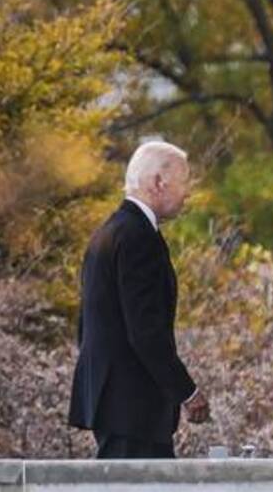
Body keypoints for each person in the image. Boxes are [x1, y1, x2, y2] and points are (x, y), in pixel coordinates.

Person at [68, 141, 209, 459]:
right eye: (184, 182)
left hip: (117, 401)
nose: (188, 193)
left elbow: (88, 324)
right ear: (159, 182)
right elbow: (145, 329)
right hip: (133, 404)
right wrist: (186, 391)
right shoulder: (138, 237)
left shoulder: (110, 232)